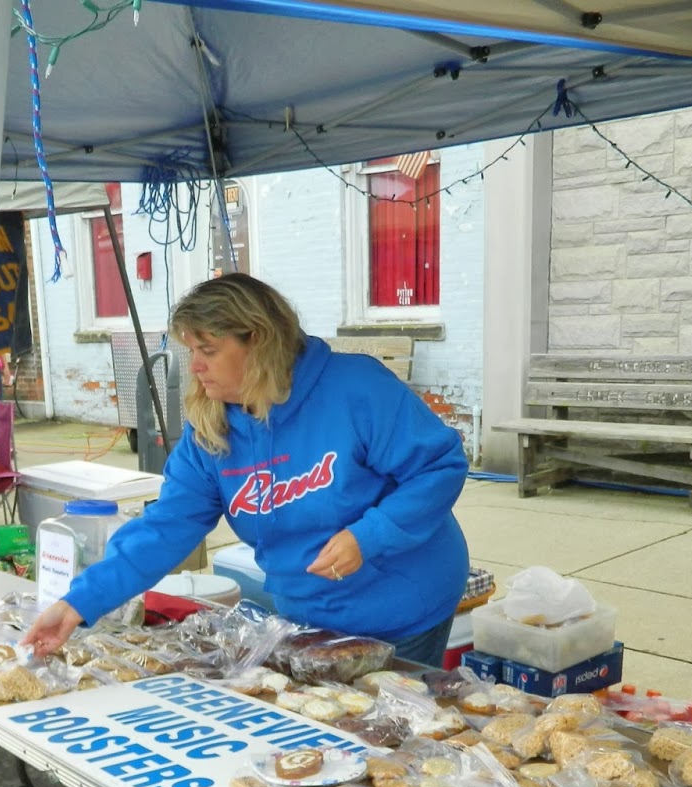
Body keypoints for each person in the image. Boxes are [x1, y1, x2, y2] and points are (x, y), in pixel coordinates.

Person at [24, 273, 469, 664]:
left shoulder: (357, 389)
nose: (194, 367)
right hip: (307, 612)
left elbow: (439, 467)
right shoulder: (212, 428)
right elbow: (164, 528)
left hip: (405, 603)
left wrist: (369, 535)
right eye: (190, 351)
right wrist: (78, 604)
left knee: (392, 736)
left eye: (209, 350)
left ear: (258, 342)